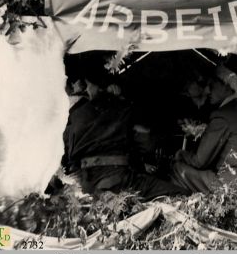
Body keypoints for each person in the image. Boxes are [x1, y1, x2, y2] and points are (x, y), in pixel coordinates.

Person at [62, 65, 187, 200]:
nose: (87, 89)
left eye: (88, 85)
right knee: (182, 194)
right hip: (120, 181)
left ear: (98, 86)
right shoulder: (122, 108)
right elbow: (147, 143)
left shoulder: (76, 114)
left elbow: (69, 153)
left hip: (89, 186)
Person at [169, 65, 237, 194]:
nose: (208, 92)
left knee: (177, 168)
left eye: (212, 86)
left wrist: (181, 154)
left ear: (226, 86)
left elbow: (200, 161)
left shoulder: (222, 115)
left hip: (231, 186)